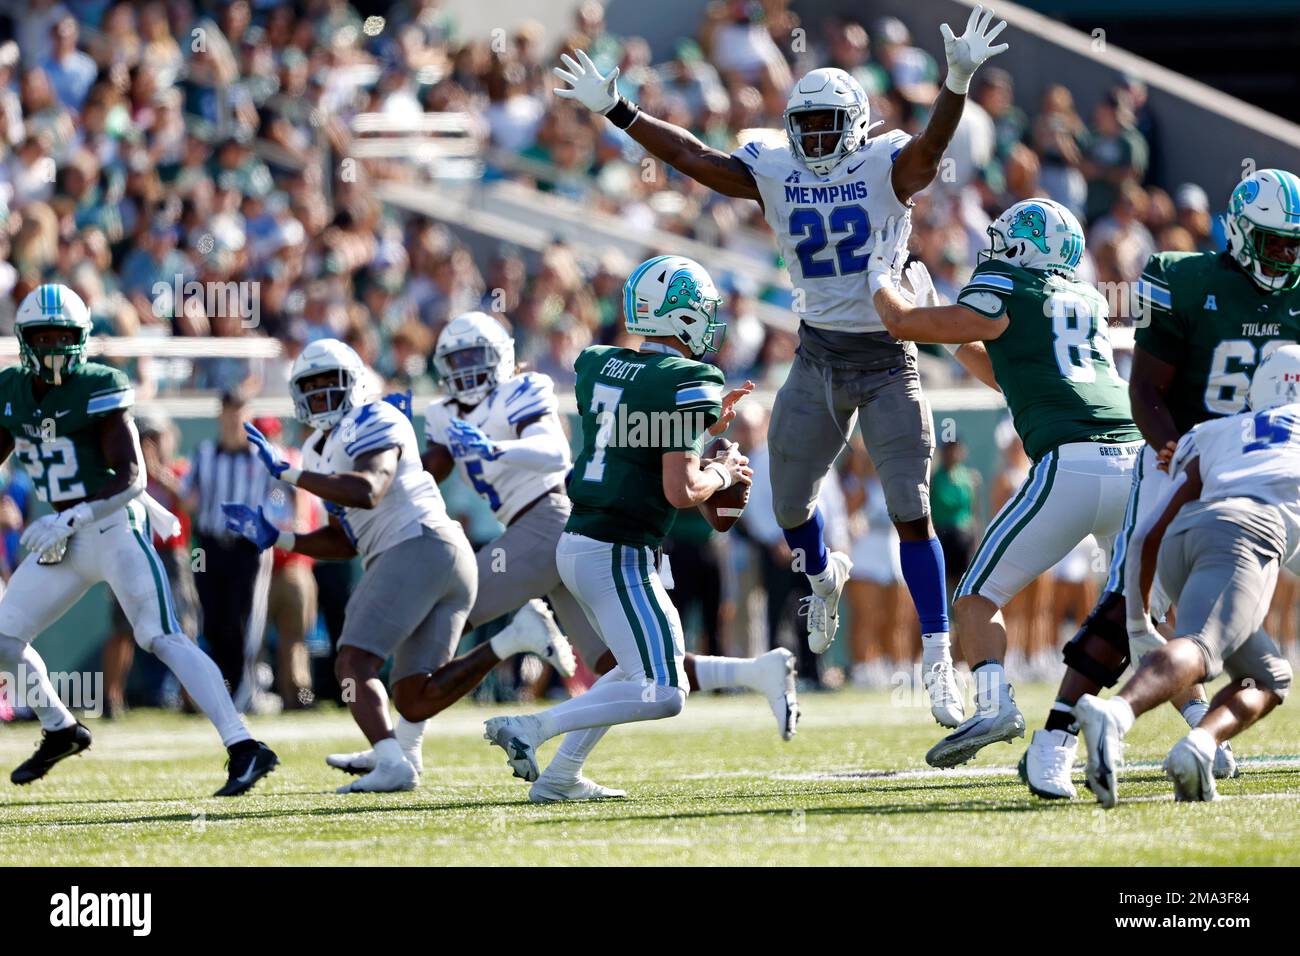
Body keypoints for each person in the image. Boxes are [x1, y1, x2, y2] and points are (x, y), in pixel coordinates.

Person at [550, 7, 1012, 729]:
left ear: (857, 126)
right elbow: (699, 161)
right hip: (819, 350)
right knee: (790, 504)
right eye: (810, 124)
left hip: (888, 357)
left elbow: (926, 152)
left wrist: (955, 83)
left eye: (831, 124)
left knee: (909, 509)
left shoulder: (884, 163)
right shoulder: (776, 165)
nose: (819, 137)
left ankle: (937, 657)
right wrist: (620, 110)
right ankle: (823, 576)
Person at [325, 311, 797, 798]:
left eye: (475, 357)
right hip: (563, 536)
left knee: (447, 616)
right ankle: (748, 672)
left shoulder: (522, 390)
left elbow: (553, 454)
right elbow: (425, 476)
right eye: (456, 359)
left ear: (500, 358)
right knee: (628, 666)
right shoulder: (445, 413)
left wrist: (492, 447)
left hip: (549, 521)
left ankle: (409, 743)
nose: (466, 368)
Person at [1031, 168, 1300, 799]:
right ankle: (1059, 735)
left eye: (1295, 243)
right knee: (1136, 598)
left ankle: (1199, 724)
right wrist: (1170, 448)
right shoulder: (1185, 280)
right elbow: (1145, 389)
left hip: (1278, 470)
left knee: (1203, 615)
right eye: (1275, 242)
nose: (1286, 256)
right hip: (1191, 452)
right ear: (1239, 234)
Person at [223, 339, 573, 793]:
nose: (322, 393)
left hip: (418, 546)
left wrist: (289, 474)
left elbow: (369, 488)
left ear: (356, 383)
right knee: (413, 695)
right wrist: (282, 537)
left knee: (353, 661)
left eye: (332, 381)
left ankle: (390, 760)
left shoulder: (376, 416)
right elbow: (346, 538)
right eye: (312, 385)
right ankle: (513, 639)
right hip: (434, 555)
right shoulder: (316, 449)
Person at [869, 199, 1143, 772]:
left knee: (975, 596)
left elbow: (898, 325)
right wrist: (940, 323)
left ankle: (994, 705)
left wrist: (877, 280)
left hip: (1073, 462)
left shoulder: (1005, 286)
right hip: (1135, 463)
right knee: (1140, 612)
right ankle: (1203, 732)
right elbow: (1007, 376)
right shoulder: (1087, 298)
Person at [482, 255, 754, 798]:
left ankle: (559, 778)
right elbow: (680, 490)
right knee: (666, 689)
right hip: (617, 550)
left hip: (584, 540)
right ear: (678, 316)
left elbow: (637, 432)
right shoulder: (686, 378)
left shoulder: (600, 363)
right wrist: (721, 469)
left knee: (638, 670)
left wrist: (696, 426)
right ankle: (533, 727)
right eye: (700, 310)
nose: (709, 321)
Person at [0, 284, 276, 796]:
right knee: (4, 637)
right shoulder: (10, 390)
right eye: (44, 336)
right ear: (25, 340)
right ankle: (60, 728)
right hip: (65, 538)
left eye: (65, 336)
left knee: (160, 635)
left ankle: (244, 746)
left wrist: (70, 517)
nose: (55, 347)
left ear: (83, 340)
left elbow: (132, 476)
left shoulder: (97, 385)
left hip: (110, 527)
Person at [1075, 346, 1300, 806]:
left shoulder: (1216, 431)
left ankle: (1199, 746)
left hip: (1180, 537)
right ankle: (1116, 713)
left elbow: (1152, 525)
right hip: (1245, 533)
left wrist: (1138, 620)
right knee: (1200, 647)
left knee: (1269, 677)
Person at [183, 389, 276, 709]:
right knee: (211, 617)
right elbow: (188, 500)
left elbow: (280, 498)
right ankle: (227, 683)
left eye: (240, 411)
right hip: (207, 547)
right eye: (229, 411)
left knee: (243, 618)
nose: (234, 417)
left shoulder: (262, 456)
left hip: (246, 548)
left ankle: (243, 686)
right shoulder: (204, 453)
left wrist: (270, 521)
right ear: (220, 414)